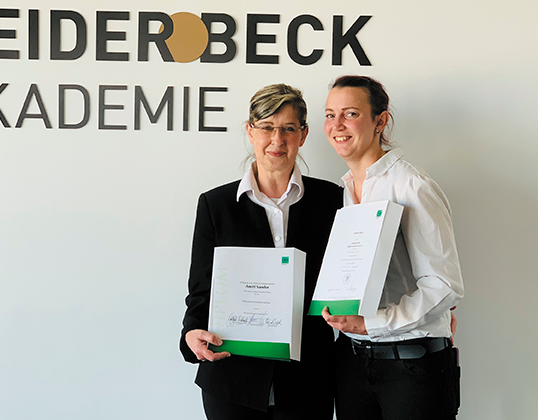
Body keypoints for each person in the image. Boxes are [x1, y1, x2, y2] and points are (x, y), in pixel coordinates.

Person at [180, 84, 342, 419]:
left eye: (288, 129)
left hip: (307, 376)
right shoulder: (216, 204)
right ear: (250, 132)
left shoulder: (332, 200)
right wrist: (190, 334)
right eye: (267, 127)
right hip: (231, 375)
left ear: (304, 134)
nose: (277, 140)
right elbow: (202, 288)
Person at [321, 75, 464, 420]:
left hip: (411, 367)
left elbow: (444, 286)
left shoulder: (412, 186)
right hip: (353, 363)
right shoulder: (342, 192)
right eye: (329, 114)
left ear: (380, 121)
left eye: (350, 114)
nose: (337, 125)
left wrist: (374, 323)